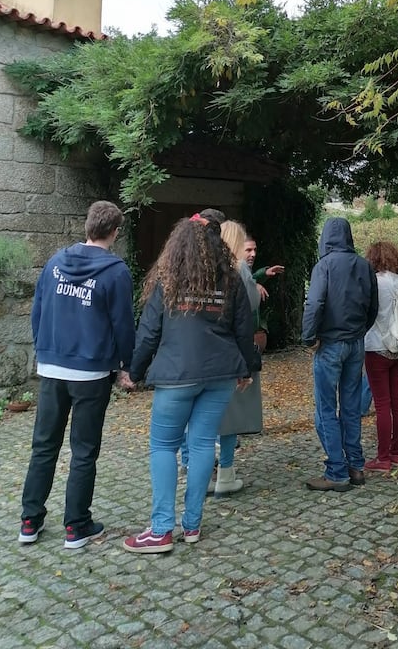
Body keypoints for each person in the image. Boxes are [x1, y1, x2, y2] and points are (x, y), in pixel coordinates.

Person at [122, 213, 254, 552]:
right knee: (202, 445)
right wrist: (246, 369)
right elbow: (244, 330)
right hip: (220, 374)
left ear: (179, 244)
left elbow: (149, 331)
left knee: (164, 446)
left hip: (177, 374)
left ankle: (161, 530)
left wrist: (134, 372)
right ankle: (192, 525)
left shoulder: (169, 277)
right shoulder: (232, 280)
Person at [18, 200, 135, 549]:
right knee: (83, 450)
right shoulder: (116, 272)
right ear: (115, 232)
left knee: (44, 445)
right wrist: (126, 364)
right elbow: (123, 324)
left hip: (53, 367)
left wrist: (44, 349)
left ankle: (29, 521)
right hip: (91, 371)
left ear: (87, 226)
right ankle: (76, 525)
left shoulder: (55, 262)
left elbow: (38, 310)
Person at [302, 217, 378, 491]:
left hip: (330, 343)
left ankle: (336, 471)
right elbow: (373, 306)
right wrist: (359, 331)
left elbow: (314, 303)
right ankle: (356, 466)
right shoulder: (364, 265)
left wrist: (309, 337)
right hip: (355, 343)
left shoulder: (324, 266)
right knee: (350, 407)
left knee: (325, 409)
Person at [207, 219, 264, 497]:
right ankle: (226, 474)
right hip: (232, 351)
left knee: (204, 417)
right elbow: (251, 304)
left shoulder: (203, 266)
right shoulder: (238, 269)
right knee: (230, 417)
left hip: (205, 350)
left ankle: (202, 473)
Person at [363, 241, 398, 471]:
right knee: (397, 401)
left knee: (382, 404)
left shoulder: (372, 282)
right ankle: (396, 452)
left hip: (376, 346)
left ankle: (382, 458)